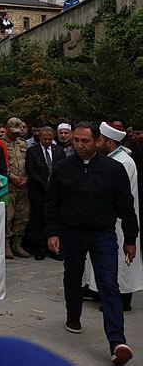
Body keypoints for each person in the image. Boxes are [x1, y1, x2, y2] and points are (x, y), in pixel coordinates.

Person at [46, 123, 137, 365]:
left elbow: (126, 205)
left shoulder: (113, 169)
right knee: (72, 277)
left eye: (85, 141)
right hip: (72, 233)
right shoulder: (63, 168)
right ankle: (73, 316)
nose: (79, 145)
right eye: (75, 140)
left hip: (103, 234)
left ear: (96, 141)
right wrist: (52, 233)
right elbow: (52, 202)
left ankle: (117, 342)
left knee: (108, 284)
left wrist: (130, 238)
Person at [82, 123, 143, 312]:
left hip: (119, 219)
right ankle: (98, 290)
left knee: (121, 259)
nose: (96, 142)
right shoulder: (112, 158)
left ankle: (123, 297)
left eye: (98, 139)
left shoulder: (123, 162)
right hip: (106, 217)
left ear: (109, 142)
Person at [25, 126, 64, 260]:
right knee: (38, 219)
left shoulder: (59, 151)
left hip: (55, 191)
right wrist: (43, 185)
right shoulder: (32, 151)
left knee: (54, 219)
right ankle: (40, 248)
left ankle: (55, 249)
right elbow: (31, 170)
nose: (47, 141)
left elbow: (62, 169)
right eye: (44, 139)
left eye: (49, 139)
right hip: (38, 191)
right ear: (40, 138)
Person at [3, 117, 30, 259]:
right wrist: (12, 177)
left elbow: (29, 162)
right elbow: (2, 165)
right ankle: (6, 244)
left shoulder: (23, 143)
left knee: (23, 216)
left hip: (23, 186)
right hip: (9, 186)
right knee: (8, 216)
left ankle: (17, 244)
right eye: (12, 131)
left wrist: (27, 177)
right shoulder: (1, 143)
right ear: (7, 128)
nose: (15, 134)